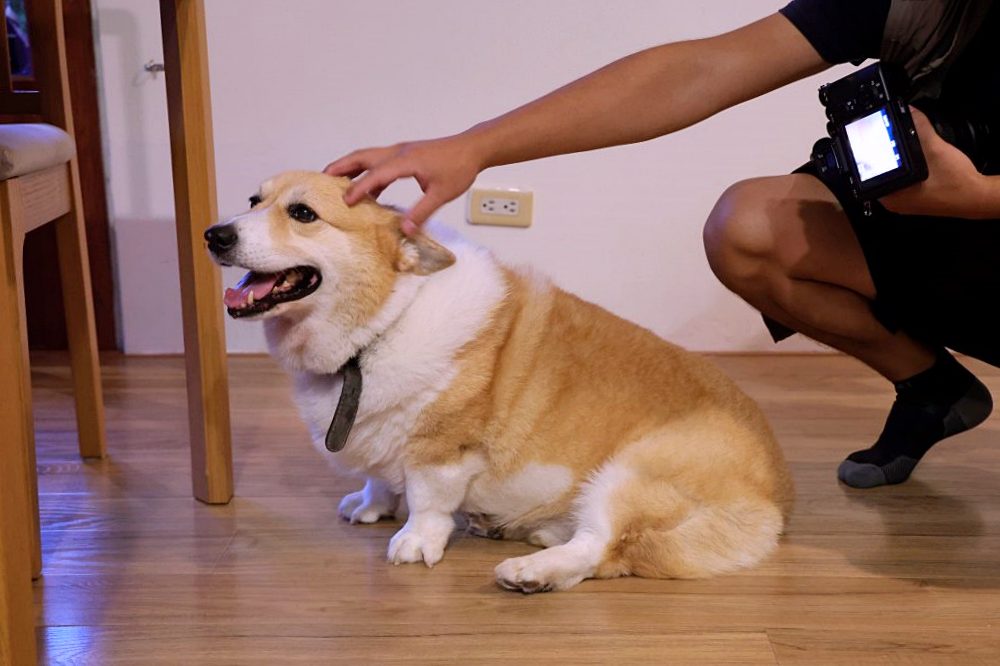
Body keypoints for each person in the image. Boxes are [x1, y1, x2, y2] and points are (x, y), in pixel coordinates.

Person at [325, 0, 1000, 489]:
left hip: (976, 211)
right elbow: (703, 69)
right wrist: (473, 147)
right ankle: (931, 388)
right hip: (944, 227)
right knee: (752, 227)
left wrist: (979, 198)